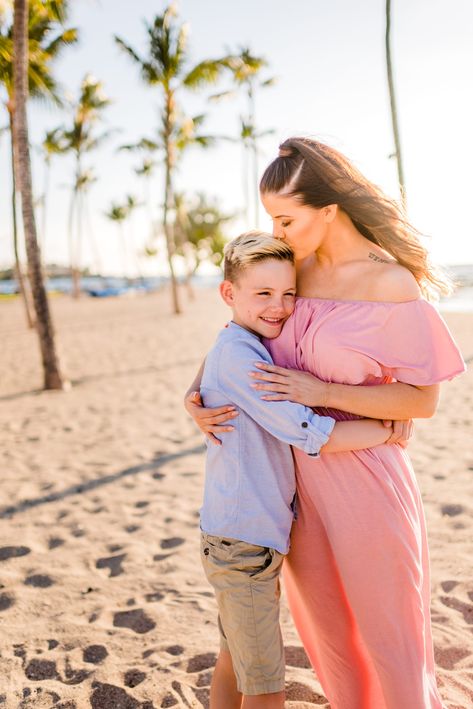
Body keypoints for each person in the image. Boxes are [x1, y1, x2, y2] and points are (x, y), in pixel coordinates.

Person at [186, 138, 466, 709]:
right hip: (293, 490)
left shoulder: (390, 284)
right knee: (330, 638)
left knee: (391, 637)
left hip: (366, 477)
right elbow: (239, 333)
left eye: (285, 217)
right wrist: (195, 394)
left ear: (329, 210)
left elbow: (422, 402)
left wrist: (324, 391)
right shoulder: (290, 273)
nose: (278, 230)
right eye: (272, 219)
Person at [199, 230, 401, 709]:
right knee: (266, 687)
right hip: (243, 542)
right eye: (263, 294)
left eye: (289, 293)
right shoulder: (242, 357)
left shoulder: (241, 344)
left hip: (240, 533)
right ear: (229, 294)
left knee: (236, 660)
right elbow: (306, 431)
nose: (280, 306)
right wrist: (386, 429)